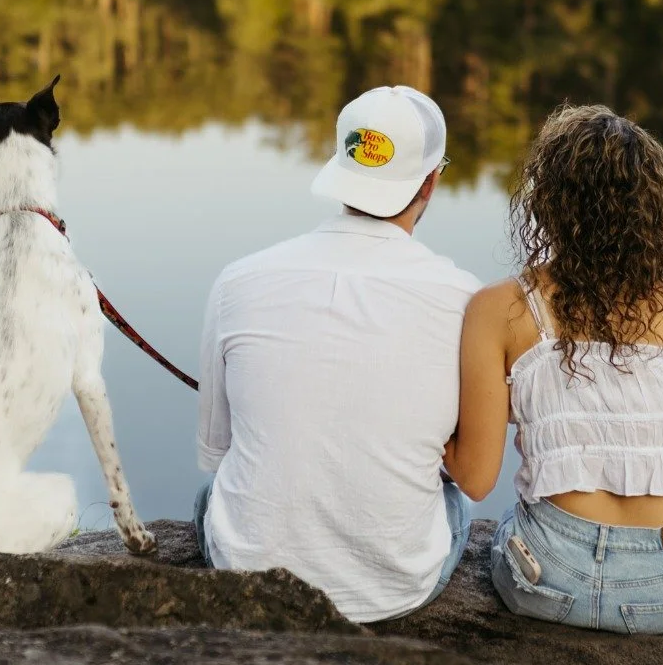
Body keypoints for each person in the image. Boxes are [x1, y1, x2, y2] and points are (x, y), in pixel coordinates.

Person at [195, 85, 478, 622]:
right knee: (459, 506)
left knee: (211, 497)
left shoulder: (238, 279)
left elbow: (217, 452)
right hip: (396, 590)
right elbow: (462, 467)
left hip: (247, 577)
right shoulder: (464, 297)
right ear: (432, 181)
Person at [443, 102, 663, 633]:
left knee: (500, 528)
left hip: (554, 576)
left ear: (546, 203)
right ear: (653, 212)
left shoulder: (501, 309)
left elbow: (475, 479)